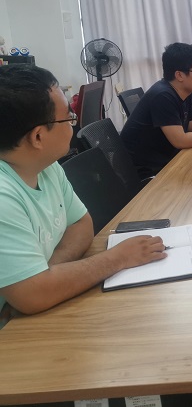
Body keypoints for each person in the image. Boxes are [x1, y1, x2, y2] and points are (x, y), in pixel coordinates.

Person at [0, 65, 167, 324]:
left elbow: (81, 224)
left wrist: (48, 273)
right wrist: (118, 258)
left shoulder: (46, 167)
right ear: (38, 137)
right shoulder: (4, 197)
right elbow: (33, 296)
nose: (73, 125)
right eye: (68, 119)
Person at [121, 42, 192, 178]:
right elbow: (180, 140)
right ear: (180, 75)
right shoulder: (163, 96)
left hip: (166, 160)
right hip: (146, 173)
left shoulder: (185, 92)